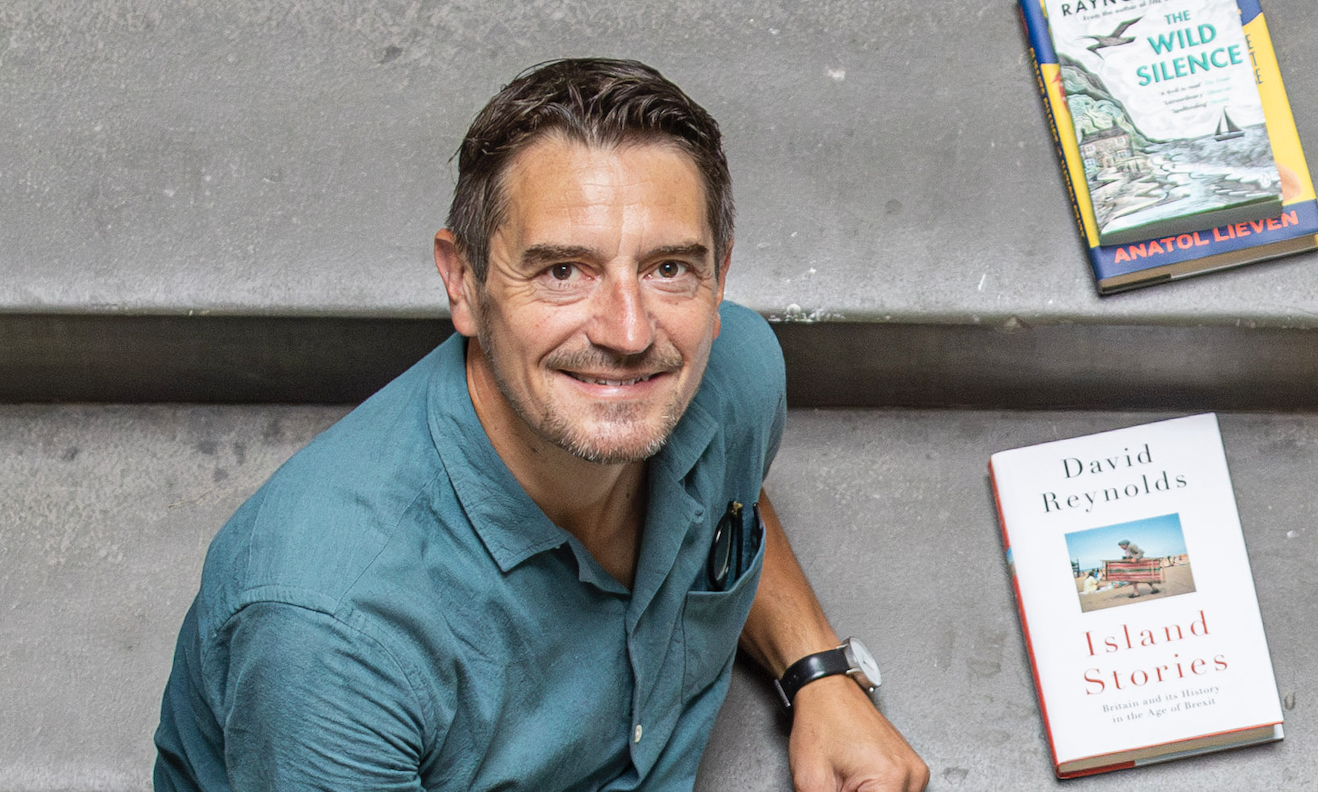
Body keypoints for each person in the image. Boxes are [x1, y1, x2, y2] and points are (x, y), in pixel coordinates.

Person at [152, 59, 929, 792]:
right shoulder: (331, 641)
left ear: (718, 277)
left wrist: (818, 671)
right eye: (564, 271)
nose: (629, 333)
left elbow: (733, 503)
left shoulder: (736, 376)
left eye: (669, 269)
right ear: (463, 282)